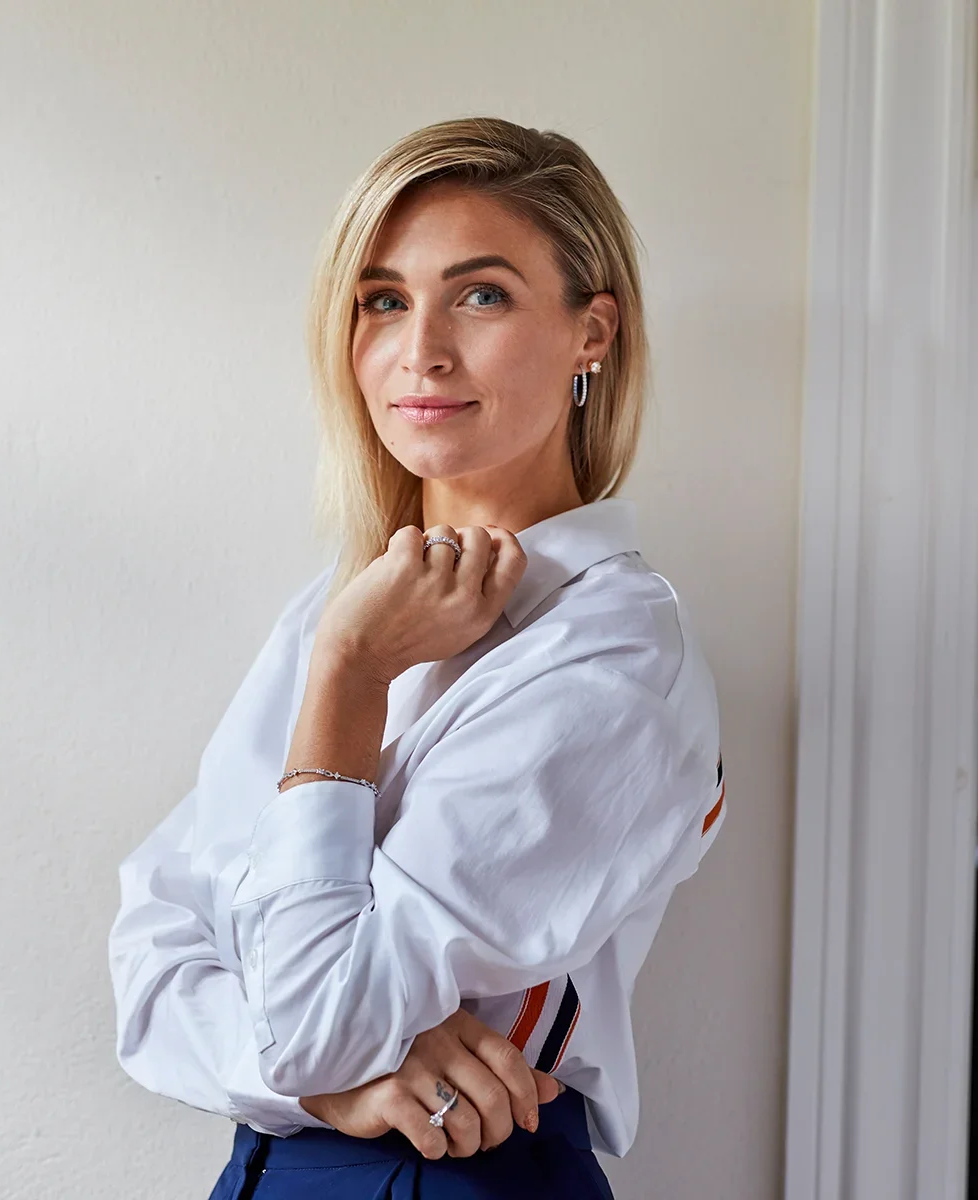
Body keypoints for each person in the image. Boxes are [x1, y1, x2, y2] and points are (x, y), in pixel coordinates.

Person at [108, 116, 726, 1200]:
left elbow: (316, 1018)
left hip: (453, 1178)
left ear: (595, 331)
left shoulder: (617, 661)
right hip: (262, 1174)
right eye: (383, 300)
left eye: (480, 295)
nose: (421, 349)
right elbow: (153, 964)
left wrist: (349, 684)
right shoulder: (339, 608)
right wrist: (329, 1081)